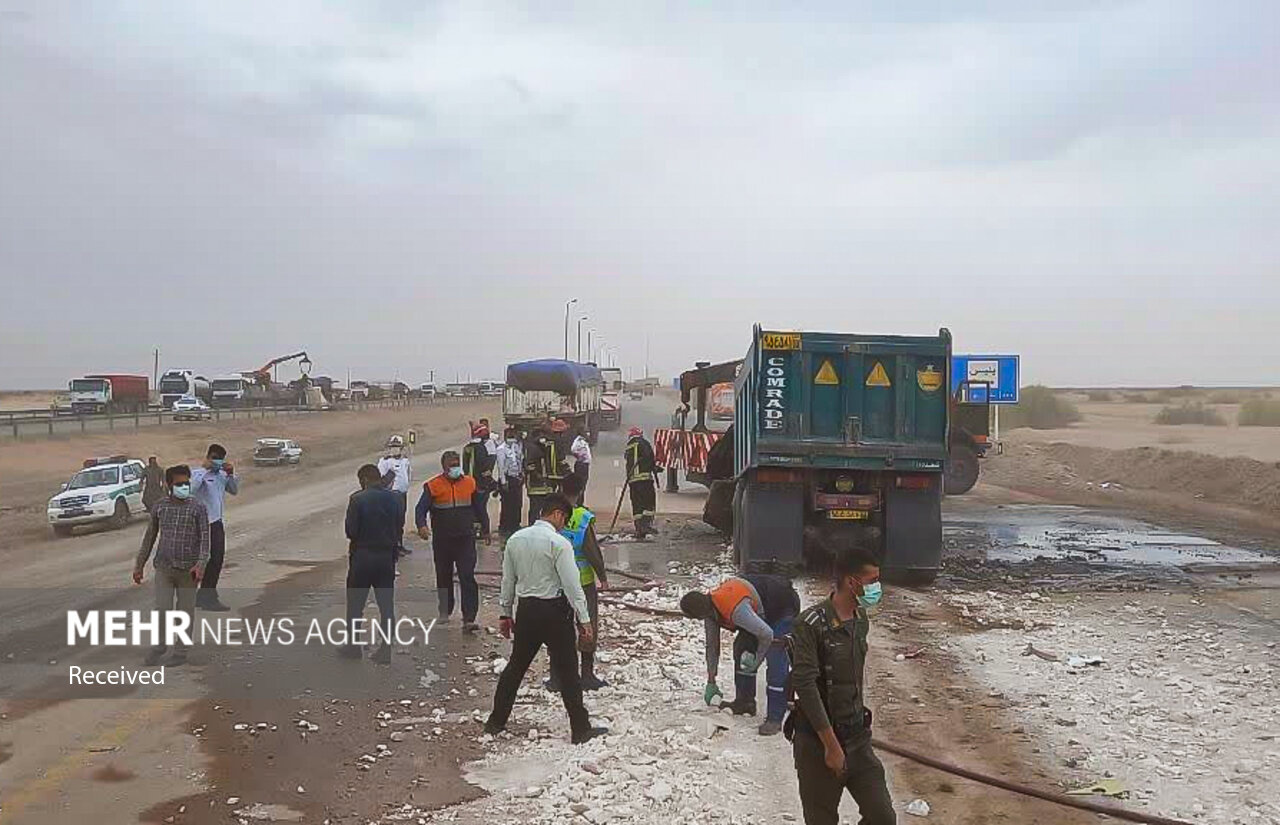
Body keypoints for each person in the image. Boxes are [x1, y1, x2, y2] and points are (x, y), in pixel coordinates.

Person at [484, 493, 608, 744]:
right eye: (564, 520)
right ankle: (580, 729)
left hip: (527, 611)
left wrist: (505, 613)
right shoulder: (558, 543)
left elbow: (508, 580)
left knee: (516, 667)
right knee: (569, 672)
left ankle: (495, 722)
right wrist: (585, 621)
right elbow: (573, 587)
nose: (564, 526)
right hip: (555, 613)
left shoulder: (516, 540)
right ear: (558, 514)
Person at [787, 545, 894, 825]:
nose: (877, 588)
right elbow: (805, 685)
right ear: (851, 581)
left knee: (882, 816)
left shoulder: (860, 620)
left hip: (858, 739)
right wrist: (831, 745)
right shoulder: (810, 624)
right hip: (818, 745)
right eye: (872, 581)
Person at [680, 573, 800, 735]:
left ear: (700, 613)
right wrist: (711, 680)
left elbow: (766, 634)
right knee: (742, 647)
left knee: (775, 655)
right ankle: (745, 702)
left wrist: (757, 660)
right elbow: (712, 647)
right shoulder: (710, 611)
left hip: (782, 606)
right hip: (758, 609)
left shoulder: (736, 610)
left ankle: (775, 717)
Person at [133, 464, 209, 666]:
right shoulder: (160, 507)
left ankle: (181, 653)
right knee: (162, 609)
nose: (184, 487)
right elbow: (149, 537)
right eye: (179, 484)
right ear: (168, 485)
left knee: (185, 612)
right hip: (164, 568)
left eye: (186, 483)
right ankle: (159, 646)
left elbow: (205, 542)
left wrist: (200, 566)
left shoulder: (198, 508)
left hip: (188, 571)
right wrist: (139, 565)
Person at [545, 473, 608, 691]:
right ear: (581, 490)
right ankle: (587, 675)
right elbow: (591, 550)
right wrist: (603, 576)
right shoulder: (582, 517)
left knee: (557, 628)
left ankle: (556, 678)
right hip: (583, 582)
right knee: (586, 624)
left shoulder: (551, 516)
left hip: (556, 581)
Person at [342, 464, 405, 664]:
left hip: (362, 557)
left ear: (364, 480)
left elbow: (351, 531)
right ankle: (385, 650)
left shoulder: (357, 499)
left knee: (355, 605)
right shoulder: (395, 498)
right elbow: (399, 526)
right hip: (386, 558)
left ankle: (353, 647)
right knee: (386, 607)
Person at [415, 451, 484, 632]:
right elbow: (420, 509)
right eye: (451, 465)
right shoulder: (432, 486)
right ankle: (445, 611)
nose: (455, 468)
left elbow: (479, 507)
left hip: (465, 539)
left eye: (457, 464)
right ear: (444, 467)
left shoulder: (470, 483)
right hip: (443, 540)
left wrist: (485, 528)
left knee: (467, 576)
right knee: (444, 577)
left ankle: (469, 618)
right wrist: (421, 526)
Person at [190, 443, 238, 611]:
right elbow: (191, 490)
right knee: (197, 561)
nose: (218, 461)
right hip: (200, 525)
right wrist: (205, 470)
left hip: (216, 523)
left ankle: (207, 596)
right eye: (215, 458)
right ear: (208, 457)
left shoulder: (222, 475)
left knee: (216, 560)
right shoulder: (197, 473)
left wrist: (231, 474)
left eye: (221, 458)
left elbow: (234, 490)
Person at [377, 434, 413, 555]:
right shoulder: (385, 462)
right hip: (391, 495)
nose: (395, 449)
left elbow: (408, 475)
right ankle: (393, 547)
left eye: (397, 446)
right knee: (392, 522)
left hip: (402, 494)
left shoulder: (405, 461)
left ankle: (399, 544)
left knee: (400, 521)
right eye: (393, 446)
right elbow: (382, 479)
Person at [462, 422, 496, 543]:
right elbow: (485, 468)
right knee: (481, 509)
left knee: (474, 510)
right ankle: (484, 531)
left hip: (470, 485)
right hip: (480, 485)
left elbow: (466, 468)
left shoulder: (467, 448)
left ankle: (478, 530)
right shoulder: (482, 448)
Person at [624, 427, 659, 538]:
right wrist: (655, 468)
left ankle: (639, 528)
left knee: (637, 505)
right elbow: (650, 458)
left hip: (633, 482)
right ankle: (646, 525)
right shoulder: (643, 443)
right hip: (644, 480)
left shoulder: (629, 447)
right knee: (648, 503)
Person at [494, 427, 525, 537]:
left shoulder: (516, 447)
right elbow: (501, 466)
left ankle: (515, 525)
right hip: (507, 479)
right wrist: (503, 481)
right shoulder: (501, 449)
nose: (512, 439)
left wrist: (521, 474)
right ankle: (505, 527)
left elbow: (519, 461)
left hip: (516, 478)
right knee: (507, 505)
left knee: (517, 503)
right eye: (510, 436)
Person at [523, 426, 554, 524]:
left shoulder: (543, 448)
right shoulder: (533, 448)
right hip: (535, 485)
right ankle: (532, 525)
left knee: (543, 508)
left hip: (544, 485)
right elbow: (529, 466)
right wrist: (539, 476)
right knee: (535, 508)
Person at [569, 427, 592, 505]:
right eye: (586, 432)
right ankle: (578, 503)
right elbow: (573, 449)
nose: (588, 434)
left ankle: (580, 503)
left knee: (583, 485)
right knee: (580, 485)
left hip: (584, 465)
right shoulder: (579, 441)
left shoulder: (584, 441)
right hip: (581, 465)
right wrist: (580, 456)